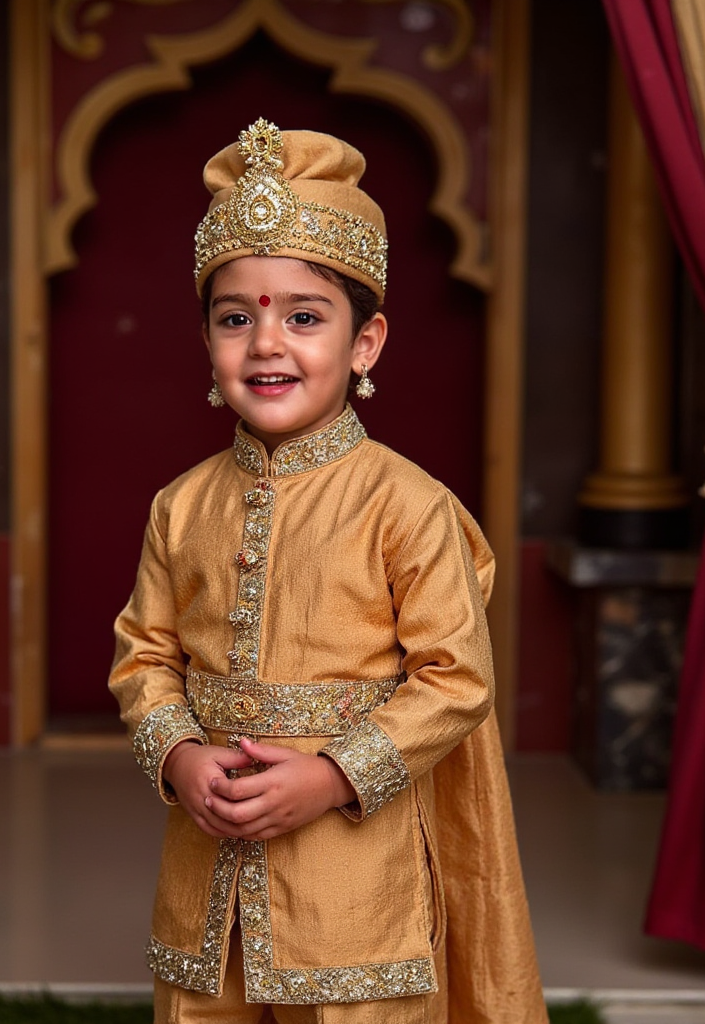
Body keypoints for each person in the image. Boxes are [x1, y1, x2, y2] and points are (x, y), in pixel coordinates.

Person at [109, 117, 547, 1024]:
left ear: (366, 343)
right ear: (208, 345)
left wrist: (333, 776)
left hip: (356, 880)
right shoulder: (179, 505)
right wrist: (178, 756)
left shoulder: (406, 504)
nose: (268, 344)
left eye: (304, 317)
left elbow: (457, 680)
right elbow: (143, 656)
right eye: (237, 318)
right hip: (206, 876)